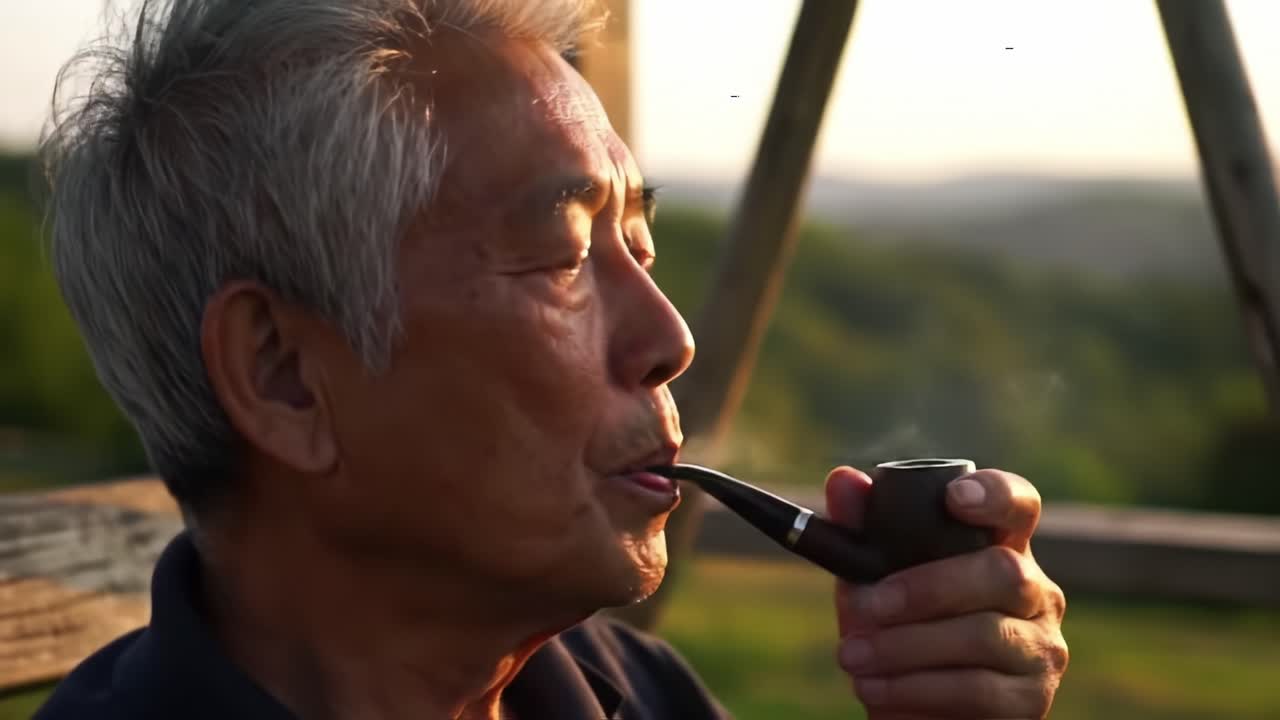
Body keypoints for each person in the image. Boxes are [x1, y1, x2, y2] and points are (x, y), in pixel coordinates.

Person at [33, 1, 1068, 718]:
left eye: (640, 247)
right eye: (565, 259)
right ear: (283, 375)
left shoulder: (633, 692)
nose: (670, 340)